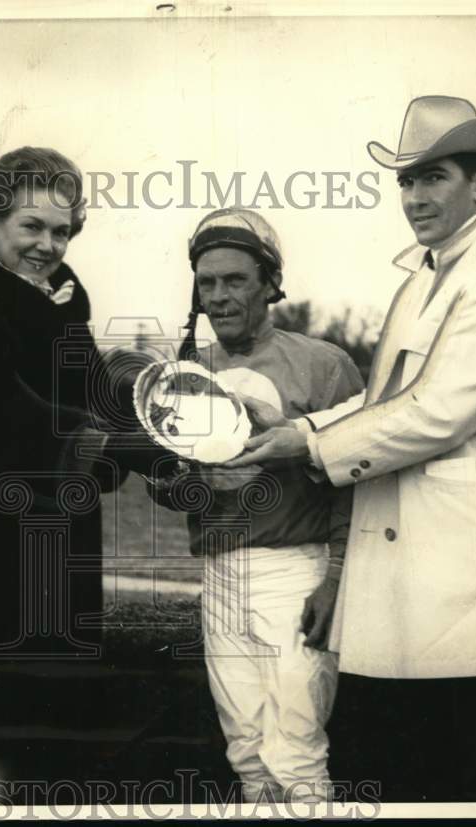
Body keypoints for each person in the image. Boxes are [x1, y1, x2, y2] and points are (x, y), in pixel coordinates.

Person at [227, 96, 476, 802]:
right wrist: (297, 428)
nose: (413, 195)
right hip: (412, 579)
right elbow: (382, 402)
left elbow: (436, 414)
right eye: (405, 180)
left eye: (432, 176)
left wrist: (309, 449)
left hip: (471, 576)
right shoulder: (425, 276)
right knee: (410, 772)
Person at [0, 146, 170, 794]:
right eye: (31, 226)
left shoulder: (66, 313)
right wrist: (112, 450)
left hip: (63, 553)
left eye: (61, 230)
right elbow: (2, 416)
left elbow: (99, 403)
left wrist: (166, 434)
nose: (47, 244)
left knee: (57, 742)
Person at [147, 208, 364, 803]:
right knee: (245, 753)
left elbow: (358, 486)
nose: (218, 296)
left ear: (270, 282)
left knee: (296, 754)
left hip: (297, 568)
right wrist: (173, 473)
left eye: (235, 280)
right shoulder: (187, 372)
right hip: (219, 572)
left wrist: (337, 580)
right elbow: (177, 493)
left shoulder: (323, 364)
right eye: (207, 282)